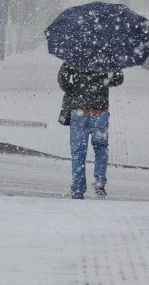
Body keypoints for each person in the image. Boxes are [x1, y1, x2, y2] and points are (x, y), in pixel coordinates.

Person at [58, 62, 124, 199]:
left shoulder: (75, 55)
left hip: (79, 110)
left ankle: (78, 187)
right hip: (99, 111)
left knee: (78, 151)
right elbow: (118, 78)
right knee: (101, 148)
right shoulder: (106, 56)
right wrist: (104, 82)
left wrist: (73, 90)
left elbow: (62, 78)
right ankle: (100, 182)